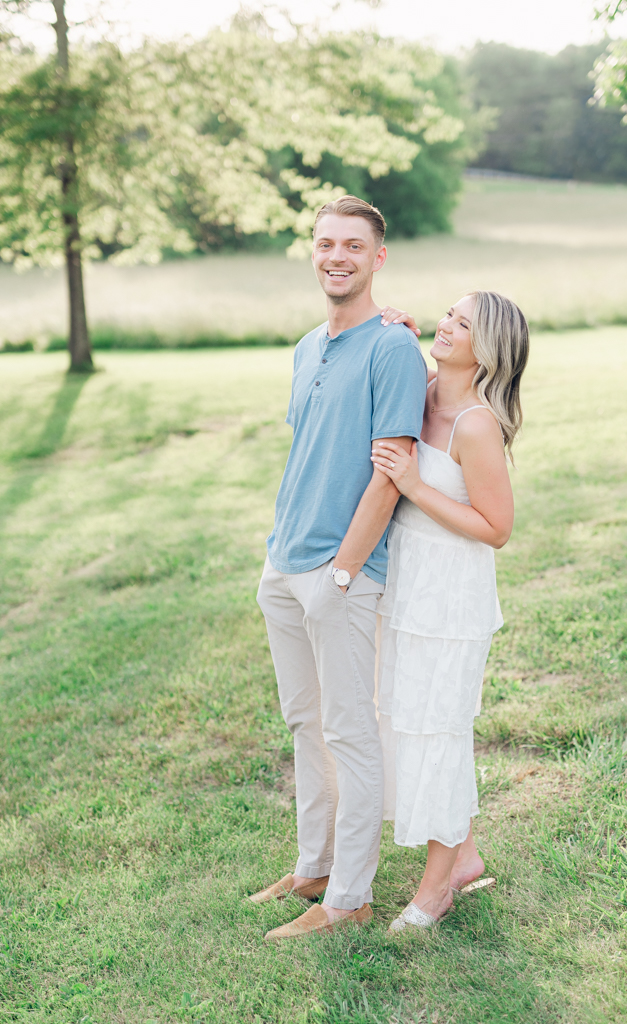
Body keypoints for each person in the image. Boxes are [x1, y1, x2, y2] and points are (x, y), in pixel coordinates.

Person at [251, 196, 427, 942]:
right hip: (283, 563)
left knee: (350, 732)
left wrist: (345, 572)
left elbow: (392, 470)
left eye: (353, 246)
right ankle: (313, 866)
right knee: (303, 722)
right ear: (312, 252)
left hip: (341, 572)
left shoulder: (392, 349)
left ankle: (350, 898)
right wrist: (279, 558)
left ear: (377, 258)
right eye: (325, 244)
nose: (336, 257)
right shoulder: (304, 346)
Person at [371, 290, 529, 931]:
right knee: (403, 720)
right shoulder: (425, 388)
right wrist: (394, 337)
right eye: (448, 314)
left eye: (463, 324)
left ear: (486, 347)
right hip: (404, 583)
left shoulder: (475, 423)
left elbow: (496, 527)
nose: (447, 325)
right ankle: (462, 855)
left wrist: (412, 485)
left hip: (449, 594)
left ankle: (435, 890)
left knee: (438, 730)